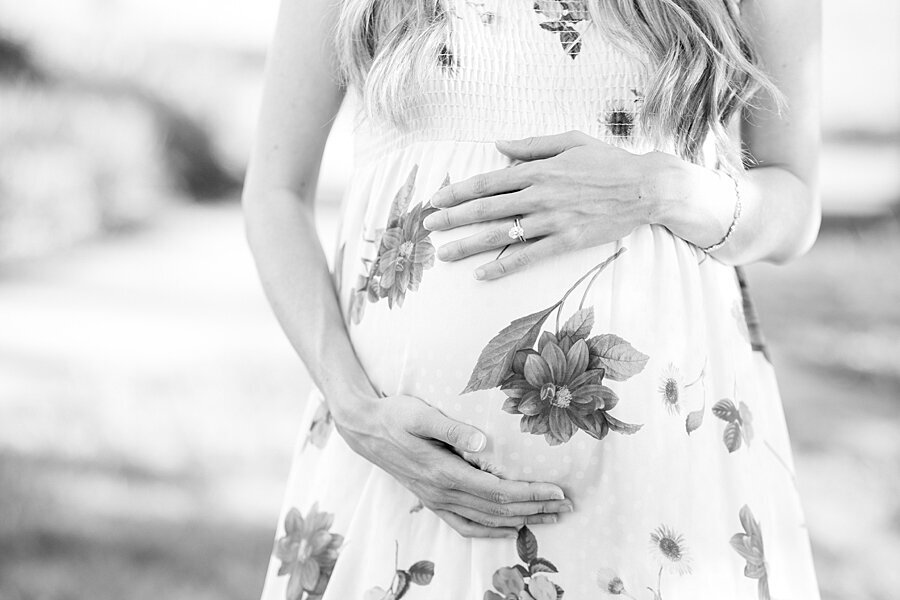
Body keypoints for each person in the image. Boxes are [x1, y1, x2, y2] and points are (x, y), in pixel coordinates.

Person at [242, 0, 822, 598]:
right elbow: (275, 191)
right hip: (397, 474)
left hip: (661, 492)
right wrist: (357, 412)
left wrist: (659, 189)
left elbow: (794, 202)